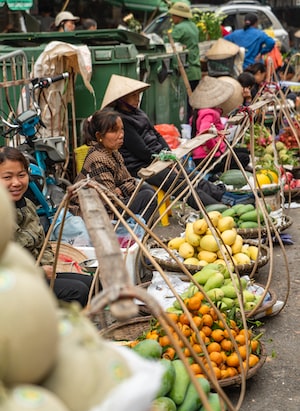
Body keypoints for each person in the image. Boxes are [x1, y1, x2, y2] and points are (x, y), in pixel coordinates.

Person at [100, 74, 232, 208]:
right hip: (141, 165)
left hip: (159, 158)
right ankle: (215, 208)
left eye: (138, 94)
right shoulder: (121, 120)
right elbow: (141, 151)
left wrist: (170, 156)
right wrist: (163, 161)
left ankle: (222, 196)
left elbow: (157, 135)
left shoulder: (138, 113)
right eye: (133, 95)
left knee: (189, 174)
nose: (137, 98)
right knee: (179, 182)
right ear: (122, 99)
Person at [0, 146, 93, 308]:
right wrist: (40, 273)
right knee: (78, 291)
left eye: (21, 175)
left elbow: (43, 244)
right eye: (7, 177)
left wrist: (48, 268)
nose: (16, 183)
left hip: (36, 274)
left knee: (93, 283)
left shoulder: (27, 205)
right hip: (12, 286)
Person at [74, 108, 157, 224]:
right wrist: (122, 189)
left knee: (146, 188)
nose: (121, 135)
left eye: (121, 129)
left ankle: (135, 233)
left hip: (111, 202)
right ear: (99, 136)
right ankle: (134, 236)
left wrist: (121, 190)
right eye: (114, 131)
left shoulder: (114, 152)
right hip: (99, 213)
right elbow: (111, 201)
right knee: (148, 197)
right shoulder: (97, 159)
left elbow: (129, 180)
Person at [189, 76, 250, 175]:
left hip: (211, 154)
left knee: (243, 151)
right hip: (207, 160)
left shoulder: (203, 111)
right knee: (244, 158)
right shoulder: (208, 113)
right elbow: (205, 132)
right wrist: (214, 148)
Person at [168, 2, 201, 117]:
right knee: (192, 104)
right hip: (196, 70)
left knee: (185, 107)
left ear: (179, 16)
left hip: (186, 72)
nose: (172, 18)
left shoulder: (179, 28)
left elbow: (167, 44)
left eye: (173, 15)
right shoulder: (193, 26)